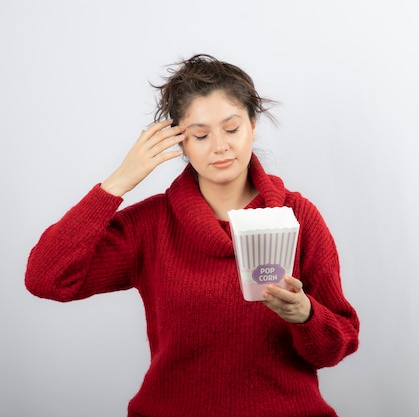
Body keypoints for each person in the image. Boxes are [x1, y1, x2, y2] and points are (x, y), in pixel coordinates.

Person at [25, 54, 359, 417]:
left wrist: (306, 315)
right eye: (200, 135)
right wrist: (119, 181)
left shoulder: (299, 217)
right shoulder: (151, 225)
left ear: (253, 126)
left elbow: (338, 344)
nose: (220, 146)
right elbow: (46, 279)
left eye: (232, 129)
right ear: (180, 142)